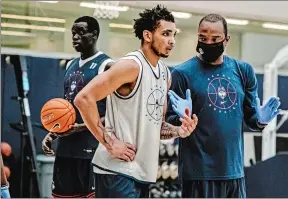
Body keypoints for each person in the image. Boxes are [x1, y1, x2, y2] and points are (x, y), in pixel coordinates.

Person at [73, 5, 198, 198]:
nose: (172, 41)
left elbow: (156, 125)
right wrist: (109, 143)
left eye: (174, 34)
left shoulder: (165, 74)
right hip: (116, 172)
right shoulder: (131, 66)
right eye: (165, 34)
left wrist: (178, 131)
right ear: (148, 36)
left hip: (143, 173)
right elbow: (83, 98)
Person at [166, 13, 281, 198]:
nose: (208, 42)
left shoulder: (243, 71)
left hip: (234, 171)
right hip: (199, 173)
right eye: (203, 38)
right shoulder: (182, 73)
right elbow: (169, 120)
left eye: (215, 38)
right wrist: (181, 120)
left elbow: (251, 120)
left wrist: (261, 120)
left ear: (226, 40)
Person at [41, 16, 115, 198]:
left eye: (81, 32)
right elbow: (66, 109)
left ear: (95, 35)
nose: (75, 37)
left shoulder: (107, 66)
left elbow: (115, 115)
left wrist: (79, 128)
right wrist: (53, 132)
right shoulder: (70, 65)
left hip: (92, 151)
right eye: (73, 33)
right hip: (66, 150)